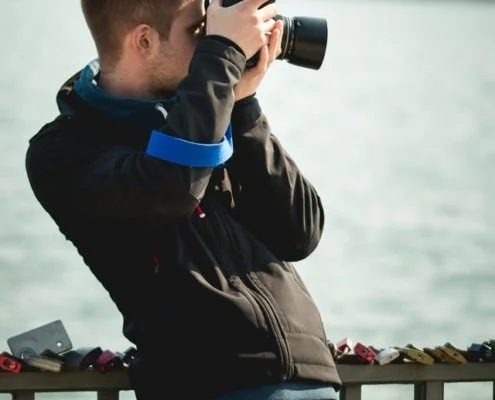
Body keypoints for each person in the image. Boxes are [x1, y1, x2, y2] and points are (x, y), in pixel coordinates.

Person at [25, 0, 342, 399]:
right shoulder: (64, 151)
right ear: (143, 40)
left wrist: (243, 107)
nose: (214, 40)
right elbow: (171, 187)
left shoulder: (208, 114)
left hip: (310, 378)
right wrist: (222, 56)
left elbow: (300, 231)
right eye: (199, 31)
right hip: (213, 384)